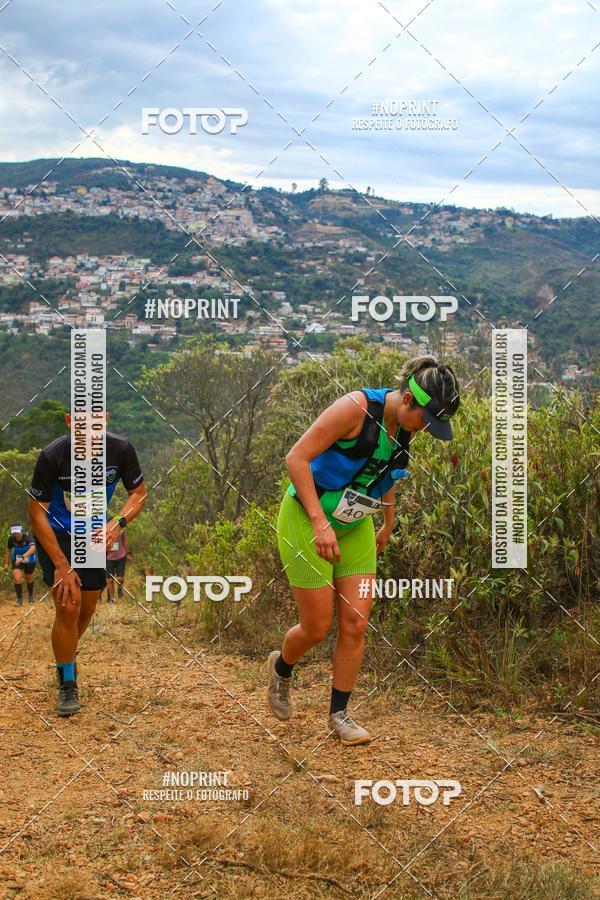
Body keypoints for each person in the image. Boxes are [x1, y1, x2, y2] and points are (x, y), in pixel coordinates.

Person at [267, 355, 460, 745]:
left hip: (355, 521)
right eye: (425, 419)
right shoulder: (356, 408)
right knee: (317, 627)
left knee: (355, 622)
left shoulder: (405, 427)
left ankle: (339, 715)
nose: (425, 429)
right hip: (308, 514)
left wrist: (388, 522)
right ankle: (281, 668)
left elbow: (385, 471)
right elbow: (297, 459)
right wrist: (320, 523)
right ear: (407, 399)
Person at [28, 413, 146, 717]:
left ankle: (66, 652)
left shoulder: (120, 450)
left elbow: (139, 494)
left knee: (87, 608)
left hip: (93, 534)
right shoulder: (53, 456)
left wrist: (116, 523)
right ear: (69, 420)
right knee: (68, 605)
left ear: (106, 419)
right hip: (55, 534)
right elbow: (36, 513)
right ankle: (67, 682)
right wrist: (61, 564)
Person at [4, 524, 37, 605]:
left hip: (29, 560)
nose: (16, 535)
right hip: (16, 560)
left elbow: (33, 548)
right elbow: (8, 550)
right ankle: (19, 599)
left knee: (28, 578)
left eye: (17, 532)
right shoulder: (11, 539)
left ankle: (30, 596)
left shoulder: (27, 537)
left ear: (21, 531)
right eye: (14, 533)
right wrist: (6, 563)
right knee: (17, 578)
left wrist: (23, 557)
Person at [105, 528, 129, 603]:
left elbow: (125, 541)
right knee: (110, 579)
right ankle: (112, 599)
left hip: (121, 556)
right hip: (109, 559)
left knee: (120, 578)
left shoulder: (121, 531)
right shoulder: (103, 533)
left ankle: (119, 587)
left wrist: (127, 553)